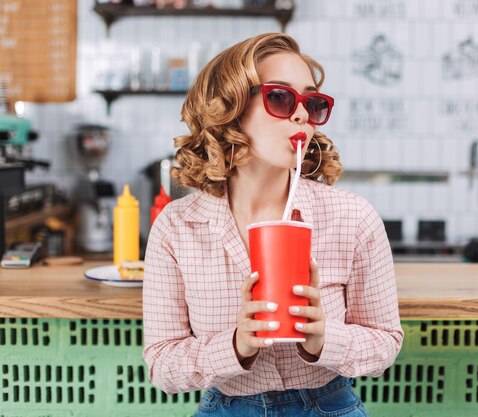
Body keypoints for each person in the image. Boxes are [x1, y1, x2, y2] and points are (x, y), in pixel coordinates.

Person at [143, 32, 404, 417]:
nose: (302, 115)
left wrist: (323, 339)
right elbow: (162, 365)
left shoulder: (353, 218)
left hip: (328, 405)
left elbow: (385, 344)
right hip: (226, 407)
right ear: (227, 108)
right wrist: (235, 345)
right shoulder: (178, 227)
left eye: (312, 103)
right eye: (280, 97)